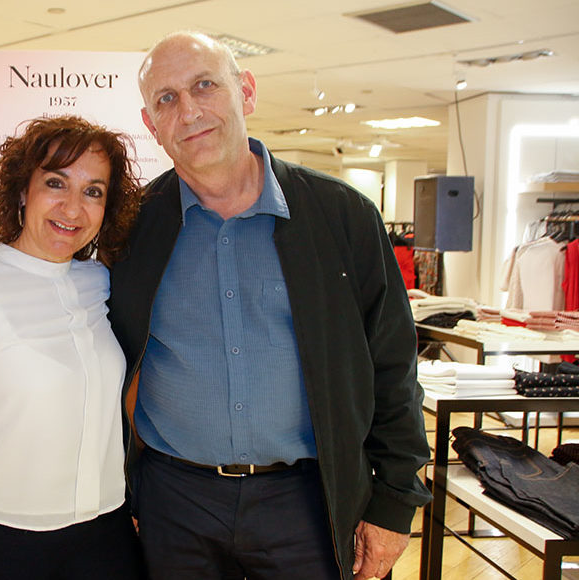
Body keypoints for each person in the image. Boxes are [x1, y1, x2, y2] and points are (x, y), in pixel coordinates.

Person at [107, 32, 432, 580]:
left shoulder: (342, 216)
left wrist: (395, 502)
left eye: (204, 86)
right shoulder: (131, 228)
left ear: (247, 92)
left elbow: (393, 367)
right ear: (150, 124)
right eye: (166, 99)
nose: (189, 111)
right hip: (173, 503)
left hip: (309, 502)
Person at [0, 115, 145, 580]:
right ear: (23, 191)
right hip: (5, 542)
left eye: (93, 191)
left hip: (108, 537)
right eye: (56, 183)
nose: (73, 208)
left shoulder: (100, 283)